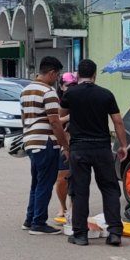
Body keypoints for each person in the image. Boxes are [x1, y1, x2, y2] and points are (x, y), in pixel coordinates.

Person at [59, 58, 128, 246]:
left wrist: (65, 143)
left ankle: (80, 235)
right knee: (110, 189)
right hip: (102, 148)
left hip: (79, 148)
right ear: (95, 75)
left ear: (78, 75)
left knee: (79, 190)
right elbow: (118, 122)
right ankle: (115, 233)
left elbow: (60, 117)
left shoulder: (70, 94)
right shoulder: (106, 94)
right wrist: (123, 145)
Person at [18, 56, 69, 236]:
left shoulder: (25, 91)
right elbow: (54, 122)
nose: (57, 79)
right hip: (46, 142)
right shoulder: (48, 92)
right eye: (57, 75)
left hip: (31, 141)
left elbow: (25, 119)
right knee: (45, 183)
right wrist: (65, 145)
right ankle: (39, 222)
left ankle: (30, 219)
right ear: (51, 73)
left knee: (36, 182)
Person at [53, 72, 78, 225]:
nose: (71, 89)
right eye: (68, 86)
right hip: (61, 143)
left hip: (77, 143)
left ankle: (73, 207)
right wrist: (68, 118)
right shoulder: (56, 101)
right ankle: (63, 207)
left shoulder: (80, 99)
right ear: (61, 86)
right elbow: (54, 121)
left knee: (76, 178)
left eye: (74, 86)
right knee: (61, 179)